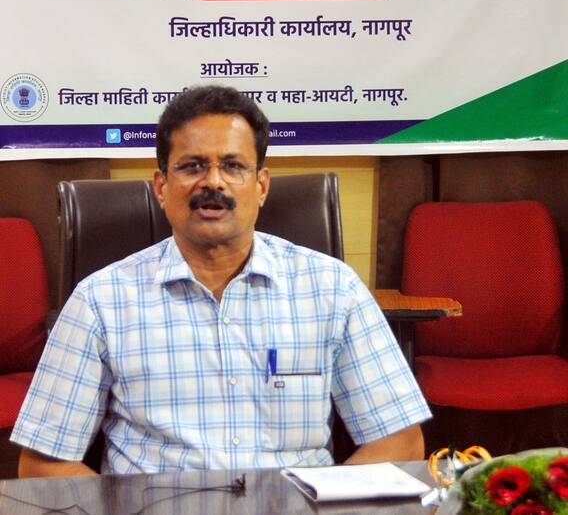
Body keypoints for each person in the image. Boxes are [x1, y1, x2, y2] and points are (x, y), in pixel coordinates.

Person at [12, 85, 431, 477]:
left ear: (261, 186)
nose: (213, 182)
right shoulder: (100, 300)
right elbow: (44, 464)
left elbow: (399, 441)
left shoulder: (332, 289)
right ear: (161, 186)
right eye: (192, 166)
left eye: (232, 166)